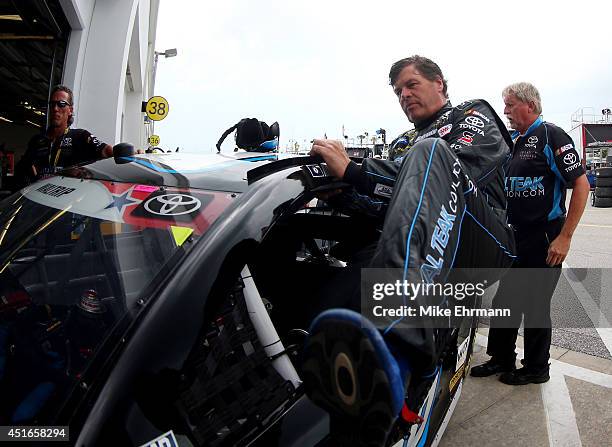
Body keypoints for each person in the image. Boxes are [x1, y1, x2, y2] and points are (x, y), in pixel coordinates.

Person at [302, 55, 516, 446]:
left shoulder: (472, 115)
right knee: (343, 284)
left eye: (411, 84)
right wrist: (345, 191)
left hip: (483, 239)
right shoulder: (404, 143)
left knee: (431, 153)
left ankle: (396, 351)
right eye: (398, 90)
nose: (404, 95)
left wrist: (355, 172)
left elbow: (451, 176)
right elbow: (389, 202)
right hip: (428, 241)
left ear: (440, 85)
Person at [470, 82, 589, 385]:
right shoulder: (513, 141)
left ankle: (537, 368)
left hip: (545, 236)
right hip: (515, 236)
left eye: (510, 105)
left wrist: (565, 237)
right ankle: (501, 358)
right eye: (505, 105)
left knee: (535, 305)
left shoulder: (552, 135)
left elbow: (582, 184)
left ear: (530, 106)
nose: (506, 111)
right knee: (505, 300)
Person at [15, 85, 113, 186]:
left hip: (67, 198)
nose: (55, 108)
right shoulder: (37, 140)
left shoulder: (80, 136)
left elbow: (107, 151)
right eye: (52, 104)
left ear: (70, 110)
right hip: (40, 196)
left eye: (61, 104)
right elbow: (22, 169)